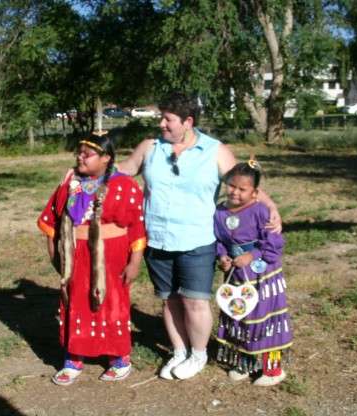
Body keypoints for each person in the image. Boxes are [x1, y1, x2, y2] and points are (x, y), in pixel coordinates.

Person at [113, 92, 282, 380]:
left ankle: (199, 354)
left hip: (197, 240)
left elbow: (241, 182)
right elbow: (125, 170)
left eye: (168, 119)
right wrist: (88, 172)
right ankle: (179, 351)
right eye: (161, 117)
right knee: (169, 300)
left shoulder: (213, 150)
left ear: (188, 121)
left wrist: (271, 205)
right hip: (157, 238)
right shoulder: (150, 147)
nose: (162, 124)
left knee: (195, 301)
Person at [37, 132, 146, 386]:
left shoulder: (125, 185)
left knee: (112, 302)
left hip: (114, 256)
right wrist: (56, 257)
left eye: (87, 154)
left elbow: (137, 227)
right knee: (75, 300)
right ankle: (73, 357)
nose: (80, 157)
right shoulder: (70, 184)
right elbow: (51, 222)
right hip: (77, 255)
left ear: (107, 158)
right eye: (79, 153)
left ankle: (120, 357)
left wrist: (135, 261)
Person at [213, 159, 292, 387]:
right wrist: (222, 256)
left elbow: (274, 243)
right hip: (236, 276)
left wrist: (253, 255)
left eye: (242, 189)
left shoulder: (261, 211)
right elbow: (218, 240)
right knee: (240, 316)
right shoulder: (219, 212)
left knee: (267, 319)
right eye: (231, 185)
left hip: (262, 277)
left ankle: (273, 367)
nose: (235, 192)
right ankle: (245, 361)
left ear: (255, 191)